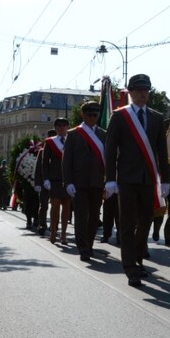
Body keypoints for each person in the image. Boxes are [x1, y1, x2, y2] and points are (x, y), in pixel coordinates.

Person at [103, 73, 170, 287]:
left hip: (149, 178)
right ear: (130, 92)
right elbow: (110, 148)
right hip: (127, 179)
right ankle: (130, 268)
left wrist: (166, 180)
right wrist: (110, 179)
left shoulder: (157, 117)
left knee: (146, 222)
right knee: (126, 223)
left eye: (146, 90)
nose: (143, 94)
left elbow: (162, 150)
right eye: (139, 90)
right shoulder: (120, 116)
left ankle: (138, 260)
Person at [63, 101, 107, 262]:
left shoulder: (103, 134)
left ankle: (89, 244)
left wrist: (109, 181)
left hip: (97, 182)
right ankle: (83, 249)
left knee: (94, 217)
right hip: (79, 183)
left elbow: (108, 160)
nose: (92, 118)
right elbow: (67, 161)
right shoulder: (74, 134)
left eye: (95, 115)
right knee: (81, 217)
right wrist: (68, 182)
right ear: (83, 115)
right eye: (89, 115)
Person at [41, 118, 71, 245]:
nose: (62, 128)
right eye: (59, 126)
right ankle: (53, 232)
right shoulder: (50, 142)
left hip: (68, 179)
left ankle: (63, 234)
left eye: (64, 125)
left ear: (67, 127)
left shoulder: (72, 140)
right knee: (55, 207)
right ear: (56, 128)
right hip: (55, 180)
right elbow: (45, 162)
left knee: (67, 208)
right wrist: (46, 179)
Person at [33, 130, 55, 236]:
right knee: (44, 205)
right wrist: (37, 183)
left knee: (55, 205)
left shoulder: (60, 149)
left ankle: (53, 225)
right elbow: (38, 169)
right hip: (43, 183)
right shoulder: (42, 151)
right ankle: (42, 224)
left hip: (56, 182)